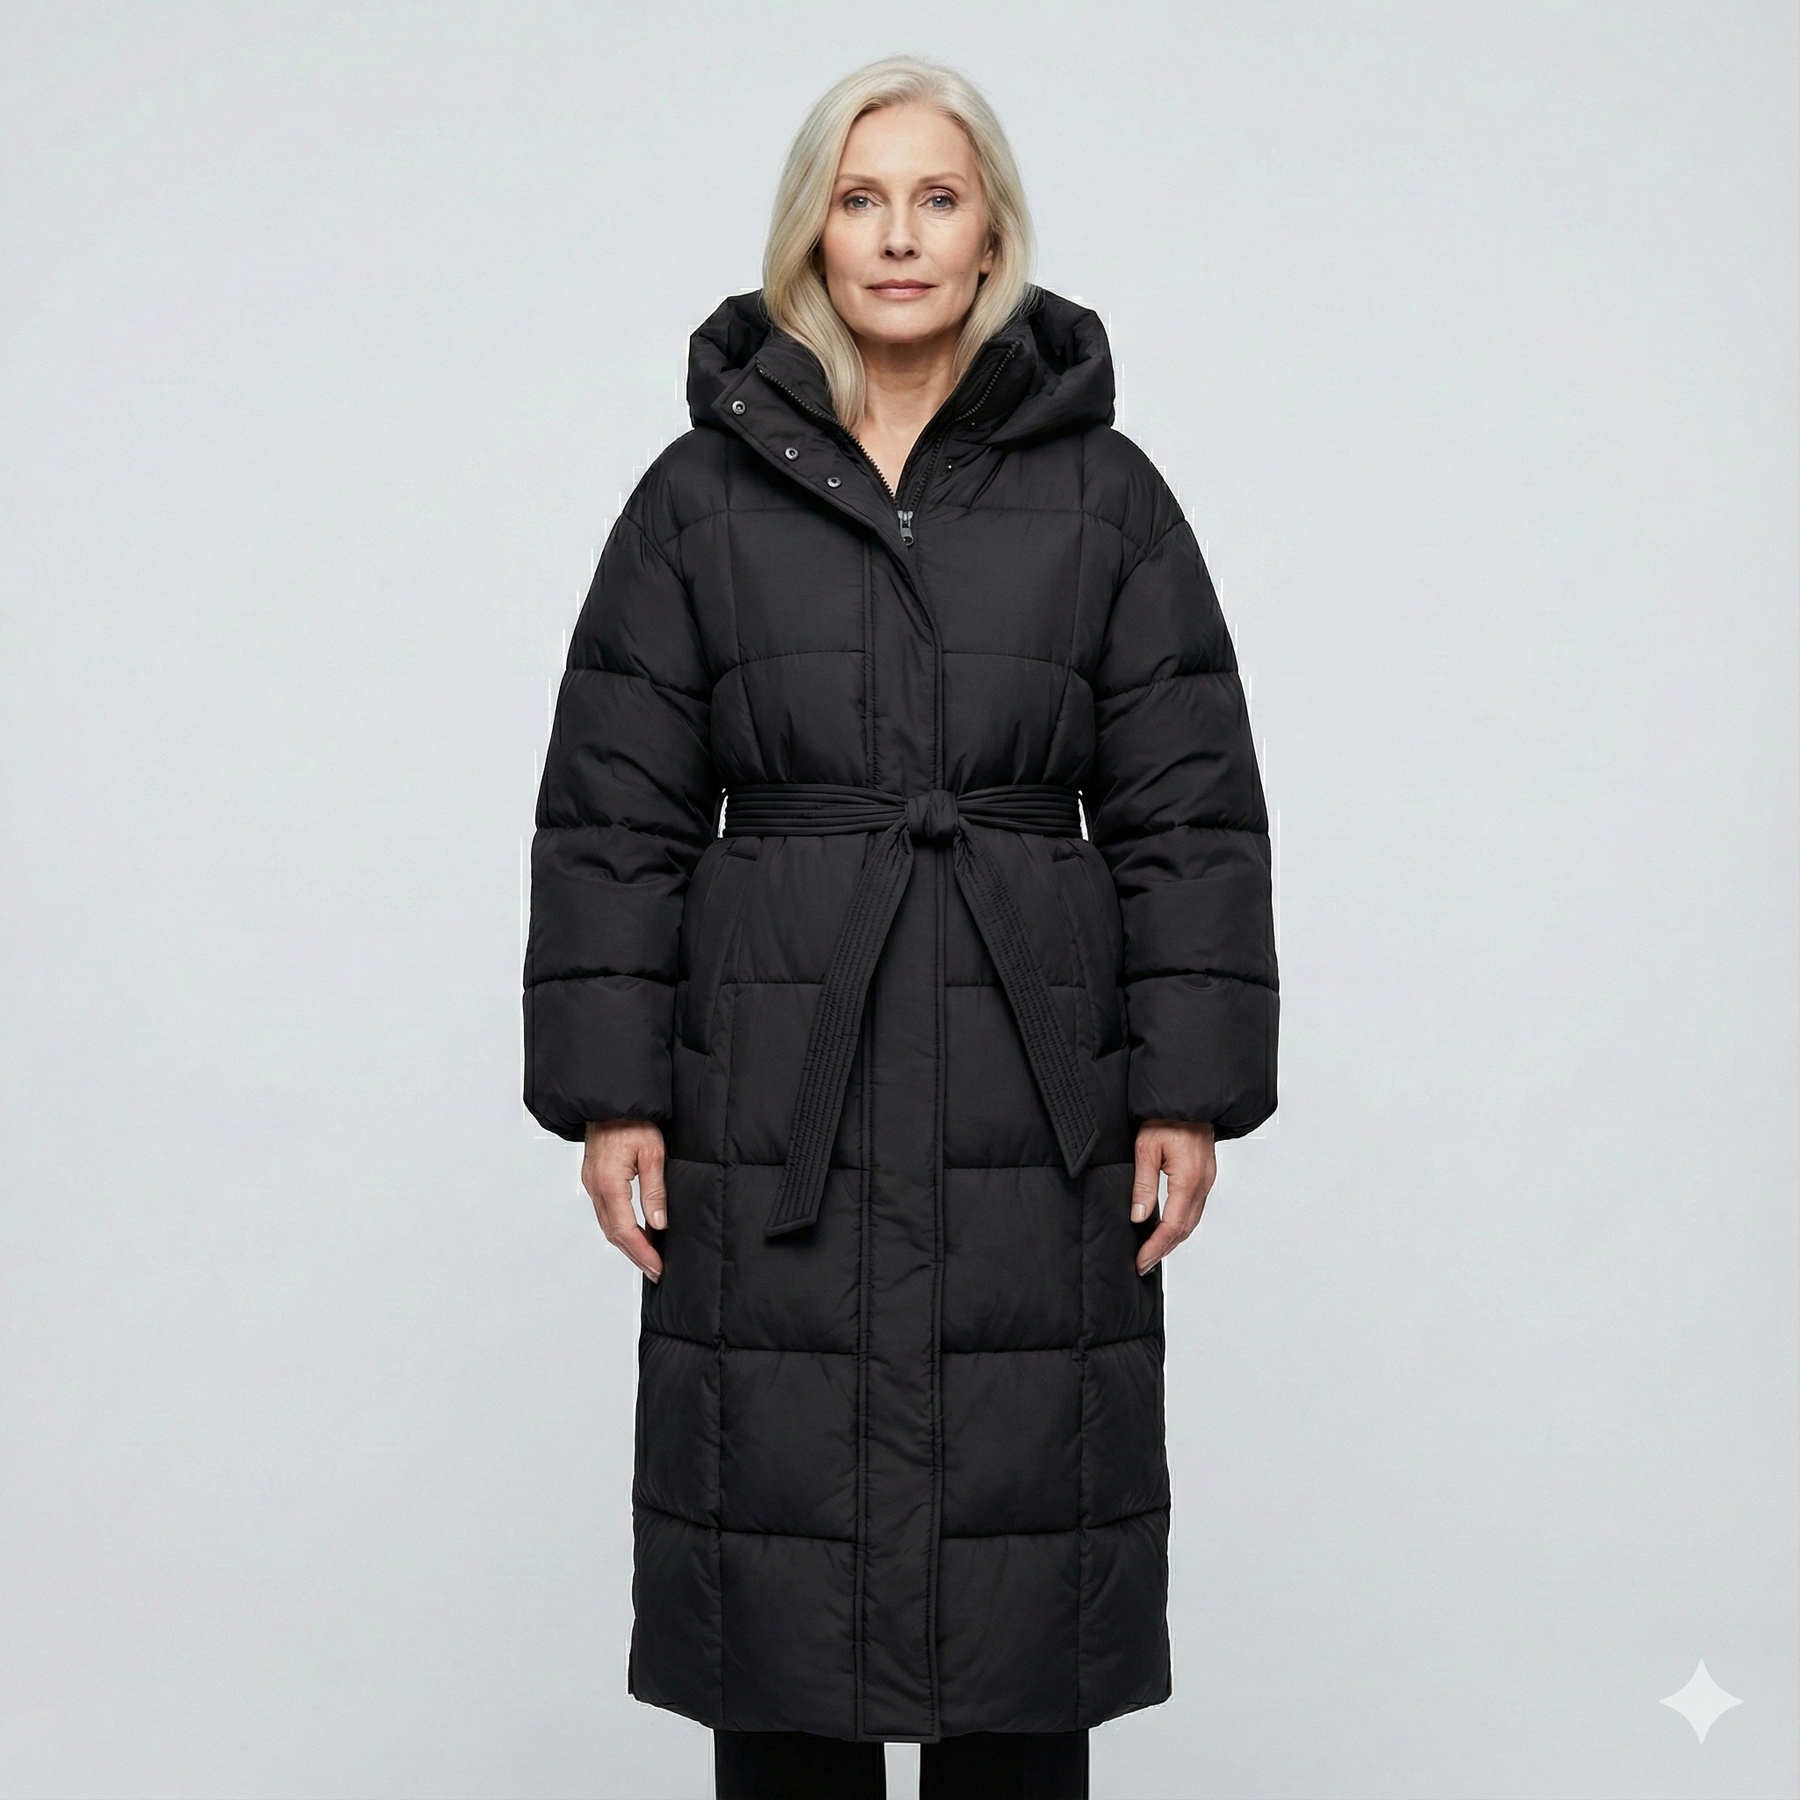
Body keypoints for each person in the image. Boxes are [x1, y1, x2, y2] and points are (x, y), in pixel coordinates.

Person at [522, 54, 1279, 1800]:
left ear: (992, 231)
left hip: (1036, 1087)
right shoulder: (699, 497)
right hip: (774, 1078)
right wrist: (614, 1097)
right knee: (781, 1586)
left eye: (938, 198)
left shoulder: (1107, 496)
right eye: (861, 200)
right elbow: (615, 813)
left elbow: (1189, 809)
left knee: (1021, 1592)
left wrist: (1185, 1092)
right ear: (813, 231)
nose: (899, 236)